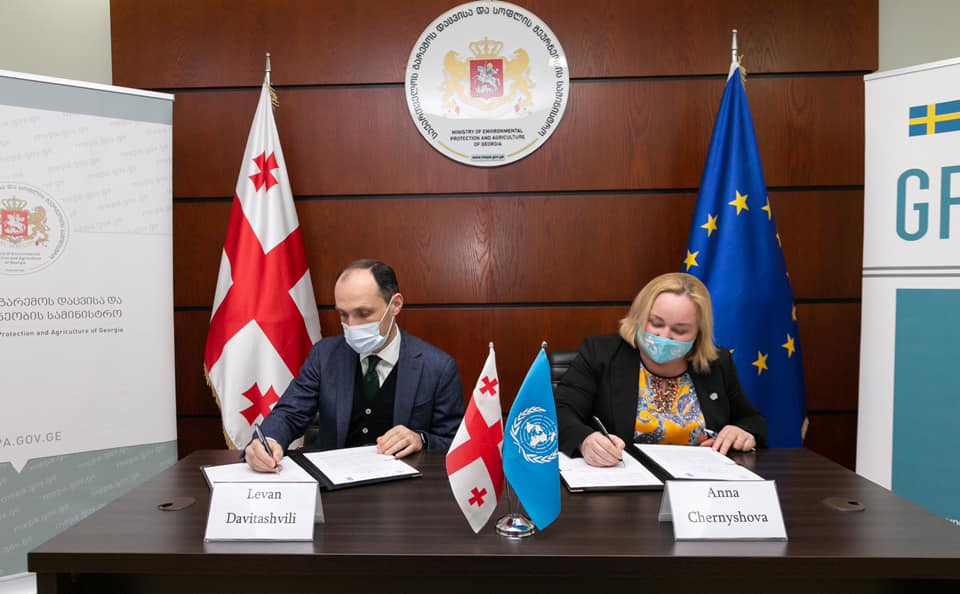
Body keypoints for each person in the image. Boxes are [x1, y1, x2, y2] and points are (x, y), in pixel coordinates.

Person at [245, 259, 465, 472]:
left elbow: (454, 442)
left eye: (363, 313)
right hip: (335, 484)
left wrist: (421, 439)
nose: (351, 325)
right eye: (343, 314)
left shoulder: (438, 367)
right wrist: (268, 441)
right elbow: (290, 413)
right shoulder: (324, 355)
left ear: (395, 305)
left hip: (405, 487)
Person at [555, 272, 766, 467]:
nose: (664, 336)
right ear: (639, 316)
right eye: (656, 323)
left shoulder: (717, 363)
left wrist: (743, 432)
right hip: (626, 480)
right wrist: (585, 440)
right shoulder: (601, 353)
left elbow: (751, 420)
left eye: (680, 330)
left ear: (699, 333)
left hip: (699, 483)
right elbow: (560, 411)